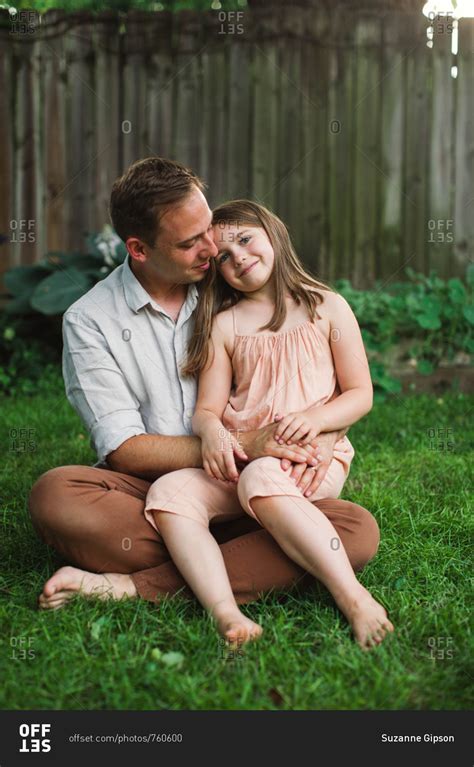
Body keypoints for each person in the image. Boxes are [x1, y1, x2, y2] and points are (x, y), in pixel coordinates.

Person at [28, 157, 381, 618]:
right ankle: (261, 552)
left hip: (274, 483)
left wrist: (323, 431)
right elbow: (124, 451)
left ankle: (146, 580)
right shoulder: (91, 321)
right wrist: (247, 444)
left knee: (355, 529)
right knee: (56, 495)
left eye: (209, 229)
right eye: (191, 242)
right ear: (139, 249)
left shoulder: (234, 278)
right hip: (156, 492)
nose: (213, 249)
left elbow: (328, 382)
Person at [144, 200, 394, 650]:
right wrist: (214, 432)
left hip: (307, 458)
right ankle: (226, 613)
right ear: (216, 269)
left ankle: (353, 598)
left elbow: (361, 393)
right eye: (222, 255)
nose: (237, 256)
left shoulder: (327, 308)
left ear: (273, 234)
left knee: (262, 477)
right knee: (168, 494)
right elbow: (206, 409)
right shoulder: (223, 325)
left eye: (244, 239)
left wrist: (315, 420)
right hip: (246, 455)